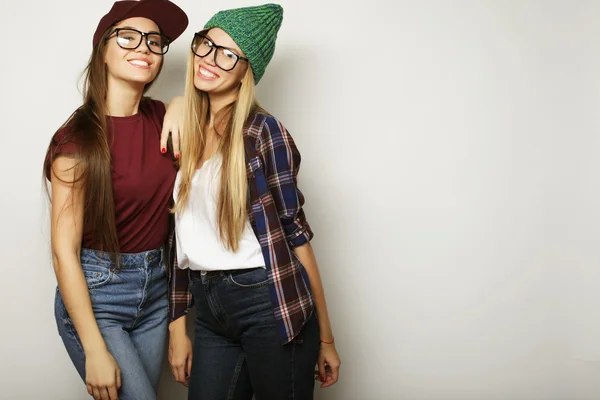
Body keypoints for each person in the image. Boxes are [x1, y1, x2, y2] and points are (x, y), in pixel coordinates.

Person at [166, 4, 341, 399]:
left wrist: (327, 338)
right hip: (209, 309)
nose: (209, 59)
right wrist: (178, 322)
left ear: (247, 70)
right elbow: (180, 241)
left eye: (228, 54)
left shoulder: (263, 132)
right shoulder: (186, 135)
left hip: (266, 301)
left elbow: (296, 236)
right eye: (205, 44)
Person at [43, 1, 188, 399]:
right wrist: (93, 347)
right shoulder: (76, 140)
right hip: (99, 294)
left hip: (157, 293)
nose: (143, 47)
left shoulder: (165, 118)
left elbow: (224, 113)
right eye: (128, 37)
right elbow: (63, 252)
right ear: (103, 51)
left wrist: (182, 103)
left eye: (154, 42)